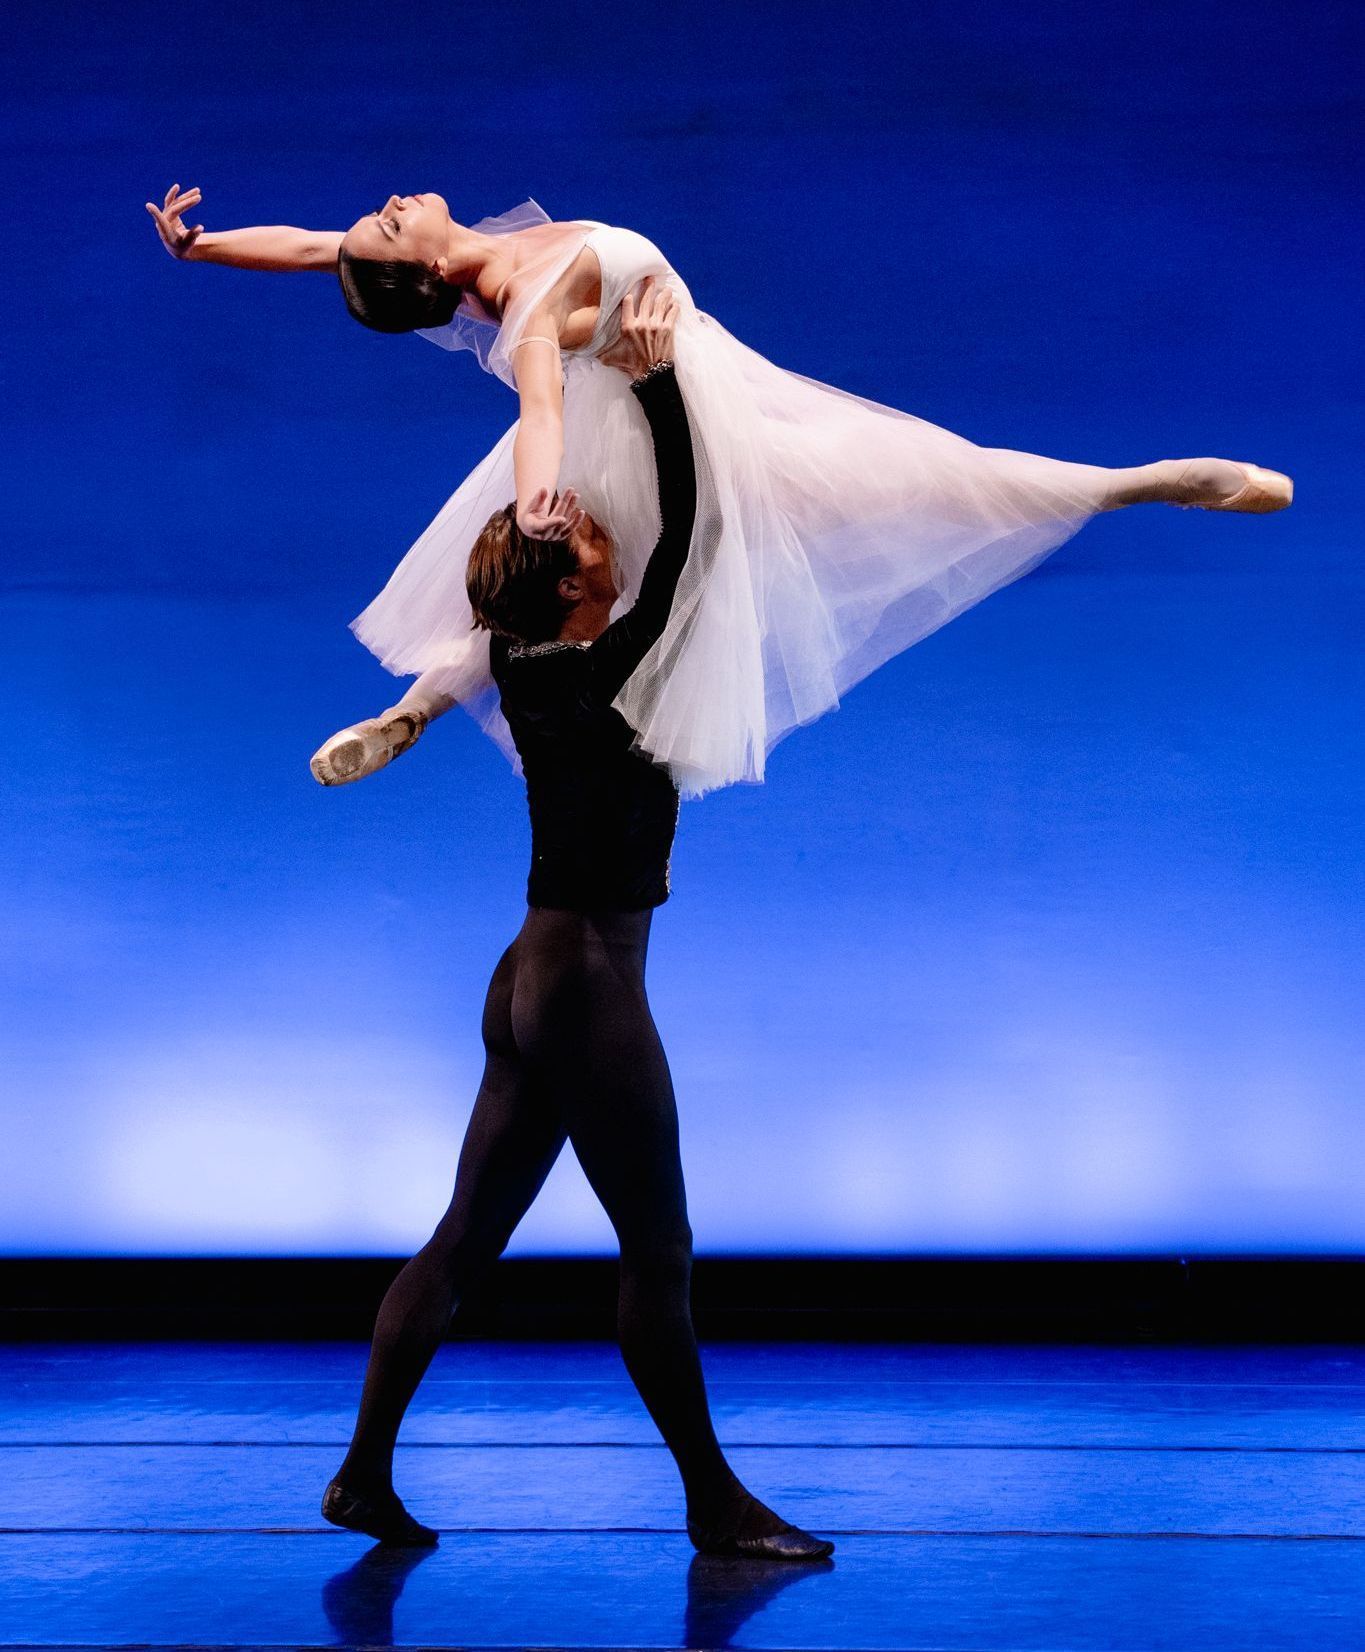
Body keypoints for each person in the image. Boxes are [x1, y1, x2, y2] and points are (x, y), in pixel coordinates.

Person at [145, 184, 1294, 799]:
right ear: (426, 268)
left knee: (499, 616)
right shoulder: (529, 297)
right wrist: (541, 503)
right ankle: (1135, 484)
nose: (388, 199)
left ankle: (406, 714)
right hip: (674, 410)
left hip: (641, 400)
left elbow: (309, 247)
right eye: (389, 224)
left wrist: (201, 251)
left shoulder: (470, 270)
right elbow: (540, 409)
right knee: (928, 479)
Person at [316, 279, 835, 1561]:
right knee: (658, 1248)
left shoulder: (523, 654)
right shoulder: (599, 659)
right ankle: (716, 1504)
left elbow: (613, 566)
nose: (607, 535)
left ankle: (361, 1477)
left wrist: (400, 717)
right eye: (590, 542)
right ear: (569, 591)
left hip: (530, 978)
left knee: (462, 1242)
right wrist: (656, 387)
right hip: (589, 985)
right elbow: (701, 542)